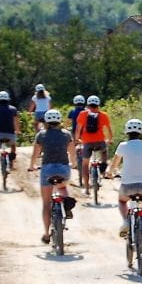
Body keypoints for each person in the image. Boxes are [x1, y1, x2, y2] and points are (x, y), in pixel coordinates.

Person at [27, 109, 77, 244]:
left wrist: (32, 165)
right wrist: (73, 163)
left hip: (47, 169)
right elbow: (72, 153)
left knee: (46, 203)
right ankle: (66, 204)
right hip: (63, 168)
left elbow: (35, 154)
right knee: (62, 186)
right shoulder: (66, 134)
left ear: (46, 122)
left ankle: (46, 233)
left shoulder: (41, 135)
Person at [106, 119, 142, 237]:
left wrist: (110, 173)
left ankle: (125, 220)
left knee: (122, 201)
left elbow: (114, 164)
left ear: (126, 132)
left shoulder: (123, 146)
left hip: (128, 186)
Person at [75, 95, 113, 195]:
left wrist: (77, 140)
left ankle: (87, 188)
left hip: (86, 142)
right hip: (100, 141)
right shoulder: (104, 115)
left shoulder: (83, 114)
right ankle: (103, 166)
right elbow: (109, 130)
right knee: (104, 151)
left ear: (88, 104)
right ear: (98, 105)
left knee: (85, 164)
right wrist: (109, 139)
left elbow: (78, 129)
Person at [0, 90, 20, 179]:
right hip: (10, 134)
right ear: (8, 99)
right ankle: (11, 164)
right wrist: (18, 131)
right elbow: (16, 122)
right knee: (13, 146)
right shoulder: (13, 109)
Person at [67, 95, 87, 186]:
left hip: (75, 132)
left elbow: (67, 122)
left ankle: (74, 163)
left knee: (73, 148)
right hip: (85, 133)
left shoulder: (72, 111)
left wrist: (67, 127)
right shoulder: (86, 111)